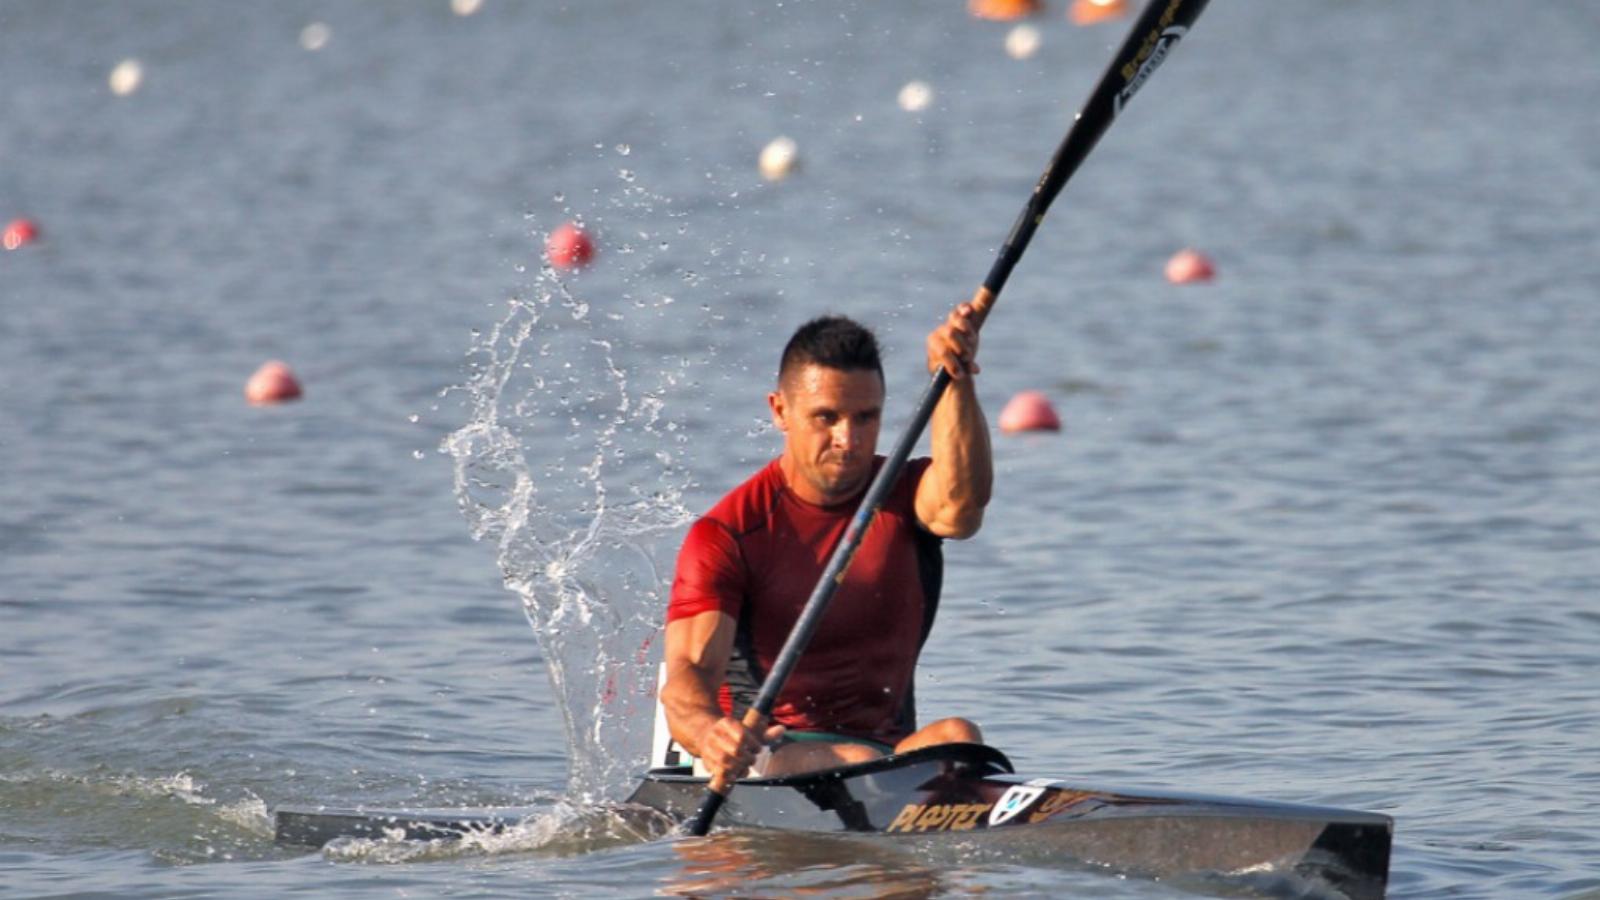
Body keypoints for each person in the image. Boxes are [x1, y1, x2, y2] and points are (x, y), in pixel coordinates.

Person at [661, 298, 993, 782]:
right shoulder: (729, 533)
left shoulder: (901, 493)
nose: (849, 439)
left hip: (887, 752)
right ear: (780, 411)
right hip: (769, 755)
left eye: (866, 417)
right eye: (827, 417)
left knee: (960, 737)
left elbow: (962, 510)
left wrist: (955, 380)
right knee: (862, 764)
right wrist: (710, 732)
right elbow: (687, 675)